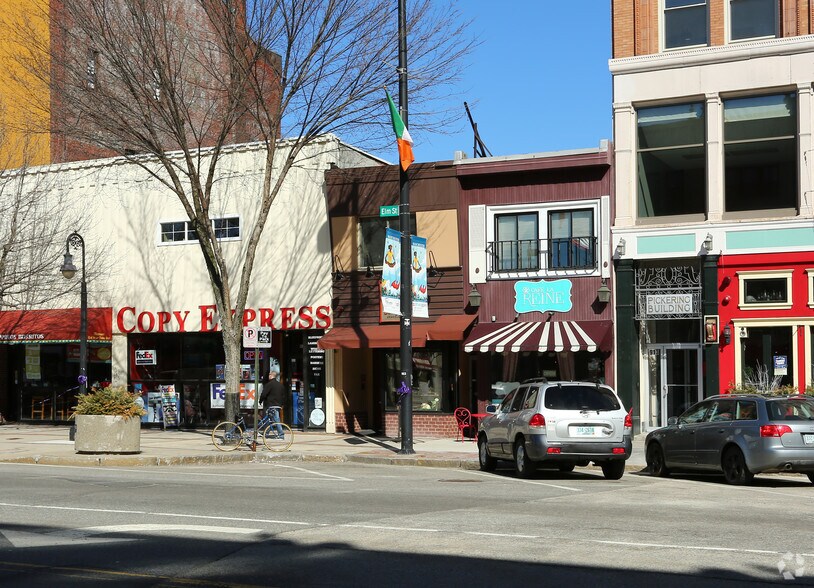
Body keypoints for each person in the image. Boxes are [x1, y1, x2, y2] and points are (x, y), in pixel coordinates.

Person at [260, 369, 286, 437]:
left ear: (271, 376)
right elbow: (283, 396)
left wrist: (260, 400)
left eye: (269, 374)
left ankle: (281, 434)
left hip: (271, 404)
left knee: (276, 419)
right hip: (278, 405)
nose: (268, 376)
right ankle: (266, 432)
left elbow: (264, 394)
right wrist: (282, 404)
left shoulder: (269, 384)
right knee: (269, 419)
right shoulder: (280, 385)